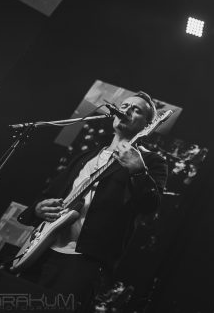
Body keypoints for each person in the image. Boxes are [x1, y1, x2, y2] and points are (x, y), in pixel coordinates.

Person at [16, 92, 168, 312]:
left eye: (136, 110)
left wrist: (138, 171)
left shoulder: (151, 161)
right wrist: (39, 209)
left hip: (84, 261)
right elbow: (48, 194)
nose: (126, 110)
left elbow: (150, 205)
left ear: (148, 125)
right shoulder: (86, 156)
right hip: (42, 250)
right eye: (125, 105)